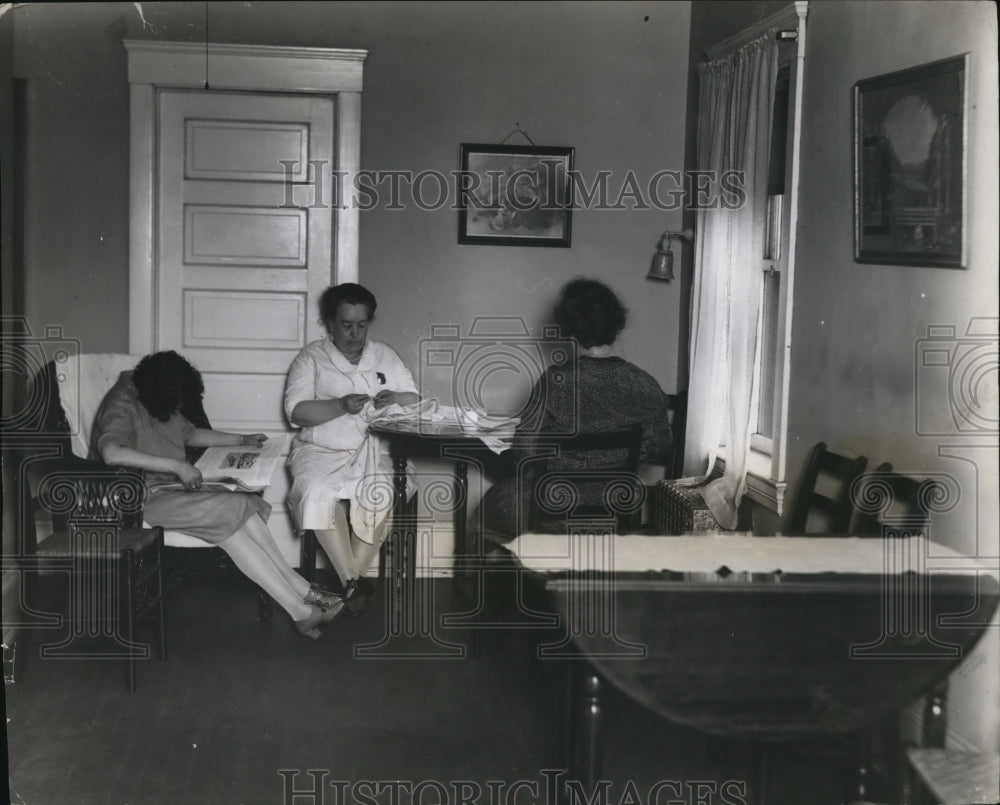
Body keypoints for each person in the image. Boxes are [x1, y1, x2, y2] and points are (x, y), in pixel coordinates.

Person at [92, 351, 344, 639]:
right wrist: (175, 465)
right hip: (136, 500)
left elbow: (188, 434)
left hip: (166, 490)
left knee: (243, 503)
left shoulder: (154, 391)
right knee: (227, 519)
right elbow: (111, 453)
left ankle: (302, 594)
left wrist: (241, 440)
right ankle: (301, 606)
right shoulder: (121, 404)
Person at [473, 277, 672, 543]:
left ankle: (506, 581)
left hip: (552, 508)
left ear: (569, 328)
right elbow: (660, 448)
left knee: (483, 509)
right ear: (616, 325)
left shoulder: (554, 382)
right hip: (618, 508)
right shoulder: (645, 383)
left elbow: (526, 451)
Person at [284, 283, 419, 613]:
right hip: (320, 451)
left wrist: (395, 398)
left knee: (382, 491)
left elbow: (414, 400)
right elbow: (297, 412)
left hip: (377, 451)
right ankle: (353, 581)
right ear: (330, 322)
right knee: (317, 489)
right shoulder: (311, 358)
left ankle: (349, 585)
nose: (355, 333)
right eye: (346, 324)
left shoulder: (384, 355)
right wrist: (341, 404)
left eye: (362, 324)